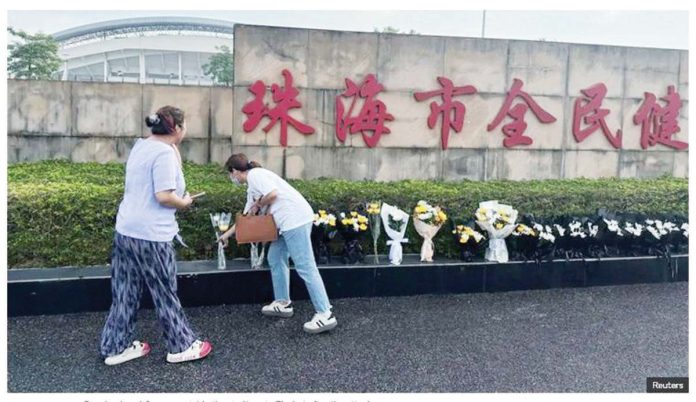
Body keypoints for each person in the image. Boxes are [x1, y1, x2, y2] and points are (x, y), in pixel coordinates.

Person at [99, 106, 213, 365]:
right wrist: (183, 203)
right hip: (152, 236)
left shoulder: (143, 146)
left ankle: (115, 346)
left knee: (124, 291)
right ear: (178, 128)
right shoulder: (163, 153)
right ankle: (181, 345)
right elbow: (163, 196)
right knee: (164, 291)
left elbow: (169, 167)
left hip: (126, 230)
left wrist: (174, 144)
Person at [218, 154, 337, 334]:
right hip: (285, 224)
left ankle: (325, 313)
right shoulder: (252, 185)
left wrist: (259, 204)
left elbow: (273, 194)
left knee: (305, 266)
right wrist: (225, 235)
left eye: (231, 174)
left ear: (234, 171)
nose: (232, 178)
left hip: (294, 220)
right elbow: (246, 217)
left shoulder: (255, 175)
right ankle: (282, 303)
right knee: (275, 257)